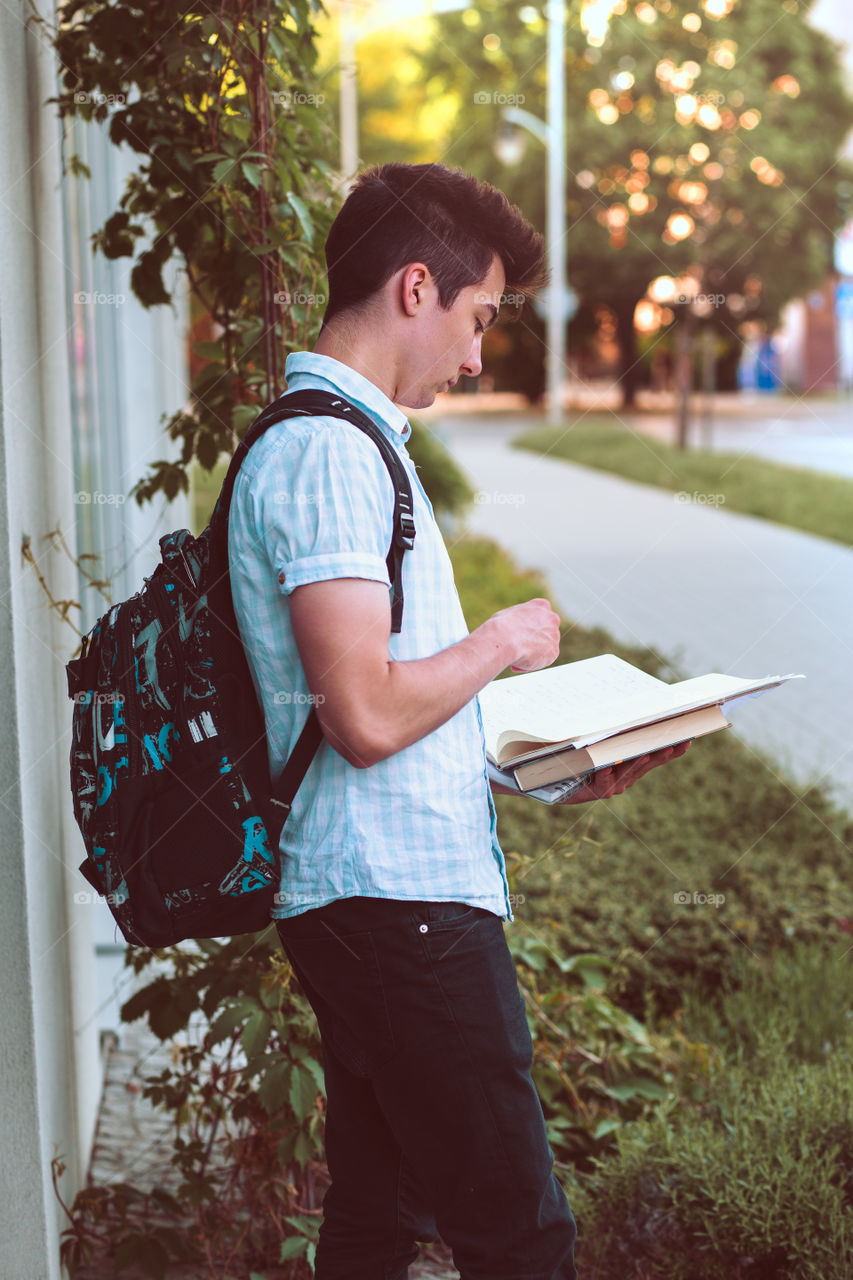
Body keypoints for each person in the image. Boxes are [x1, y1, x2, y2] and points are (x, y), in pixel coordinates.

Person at [228, 161, 687, 1280]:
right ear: (416, 287)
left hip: (383, 895)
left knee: (375, 1220)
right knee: (519, 1234)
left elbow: (374, 711)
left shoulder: (347, 442)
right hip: (402, 912)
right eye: (478, 319)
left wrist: (550, 769)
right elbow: (368, 718)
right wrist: (500, 641)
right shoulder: (332, 452)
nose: (478, 355)